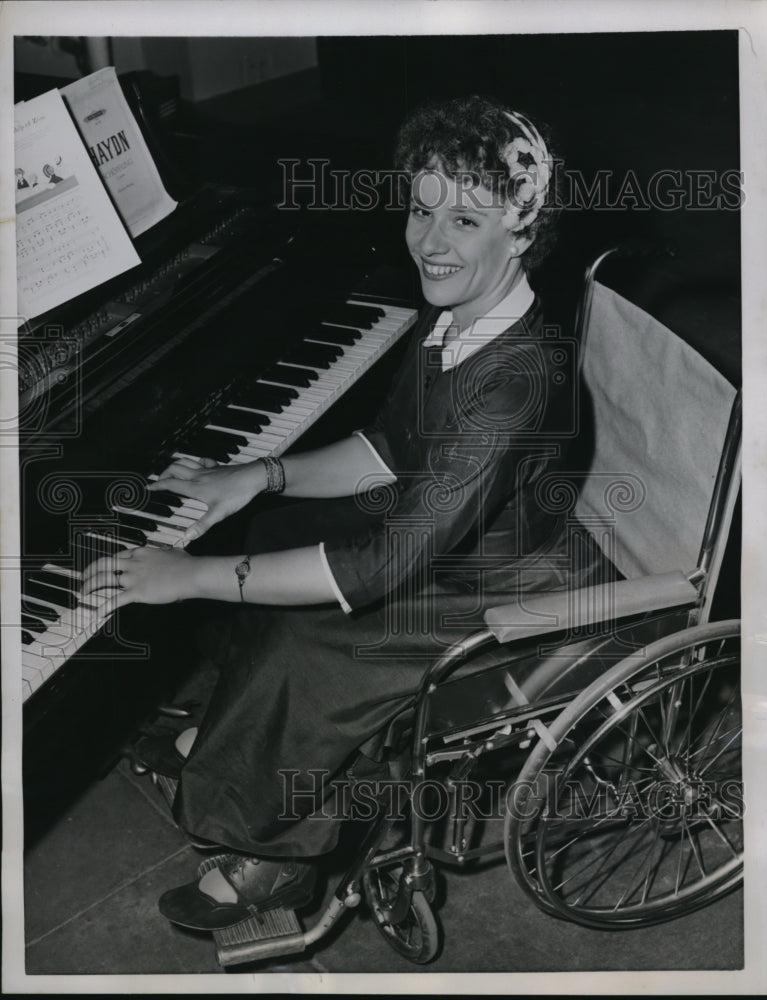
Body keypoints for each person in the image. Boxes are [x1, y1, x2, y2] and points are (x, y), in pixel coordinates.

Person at [83, 95, 606, 931]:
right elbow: (390, 446)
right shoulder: (460, 314)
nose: (430, 242)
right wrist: (262, 475)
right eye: (421, 207)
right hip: (442, 538)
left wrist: (188, 577)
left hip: (492, 584)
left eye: (465, 220)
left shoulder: (513, 383)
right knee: (278, 532)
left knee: (303, 639)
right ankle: (235, 736)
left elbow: (373, 569)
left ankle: (277, 855)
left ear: (522, 229)